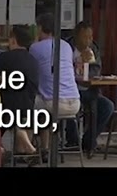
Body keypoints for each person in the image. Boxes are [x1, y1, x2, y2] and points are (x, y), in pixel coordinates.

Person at [29, 13, 81, 154]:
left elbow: (29, 69)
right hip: (75, 102)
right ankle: (46, 148)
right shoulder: (66, 46)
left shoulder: (35, 48)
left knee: (26, 105)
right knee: (44, 106)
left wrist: (34, 41)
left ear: (40, 28)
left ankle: (27, 148)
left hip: (55, 103)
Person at [0, 24, 39, 154]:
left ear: (13, 40)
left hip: (8, 106)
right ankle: (22, 149)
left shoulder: (5, 57)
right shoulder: (33, 60)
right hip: (29, 106)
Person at [71, 21, 114, 154]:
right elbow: (64, 70)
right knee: (69, 108)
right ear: (76, 37)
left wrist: (89, 65)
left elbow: (96, 71)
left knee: (107, 106)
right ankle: (72, 141)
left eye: (90, 37)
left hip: (90, 90)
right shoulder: (67, 47)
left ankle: (88, 141)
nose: (89, 40)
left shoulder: (93, 49)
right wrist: (78, 60)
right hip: (71, 91)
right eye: (85, 37)